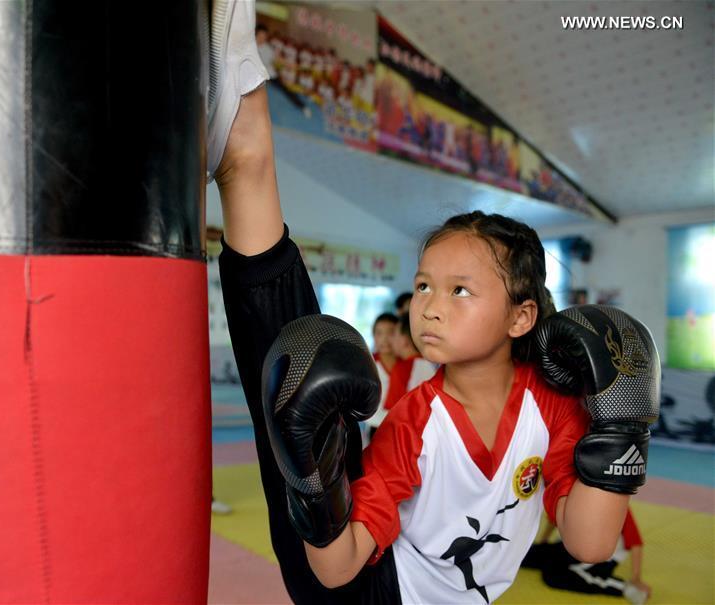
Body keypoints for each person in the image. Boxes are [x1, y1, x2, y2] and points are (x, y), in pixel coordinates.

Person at [208, 6, 658, 602]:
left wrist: (623, 421)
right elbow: (337, 571)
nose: (430, 306)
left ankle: (245, 155)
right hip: (369, 588)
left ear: (522, 316)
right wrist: (312, 483)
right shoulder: (414, 422)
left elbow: (590, 545)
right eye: (423, 286)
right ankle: (245, 154)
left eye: (460, 290)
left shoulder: (549, 408)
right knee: (295, 364)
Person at [521, 508, 651, 605]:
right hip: (570, 545)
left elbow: (635, 542)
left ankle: (623, 587)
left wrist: (636, 577)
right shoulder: (566, 487)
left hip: (598, 556)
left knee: (553, 576)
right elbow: (554, 517)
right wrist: (543, 543)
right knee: (526, 556)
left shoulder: (614, 501)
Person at [383, 314, 436, 411]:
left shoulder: (402, 368)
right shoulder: (433, 364)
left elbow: (393, 410)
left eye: (394, 334)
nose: (391, 339)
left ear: (404, 340)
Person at [364, 313, 399, 441]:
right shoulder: (368, 364)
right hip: (375, 427)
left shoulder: (409, 365)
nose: (384, 339)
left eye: (391, 333)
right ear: (374, 336)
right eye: (379, 333)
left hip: (402, 429)